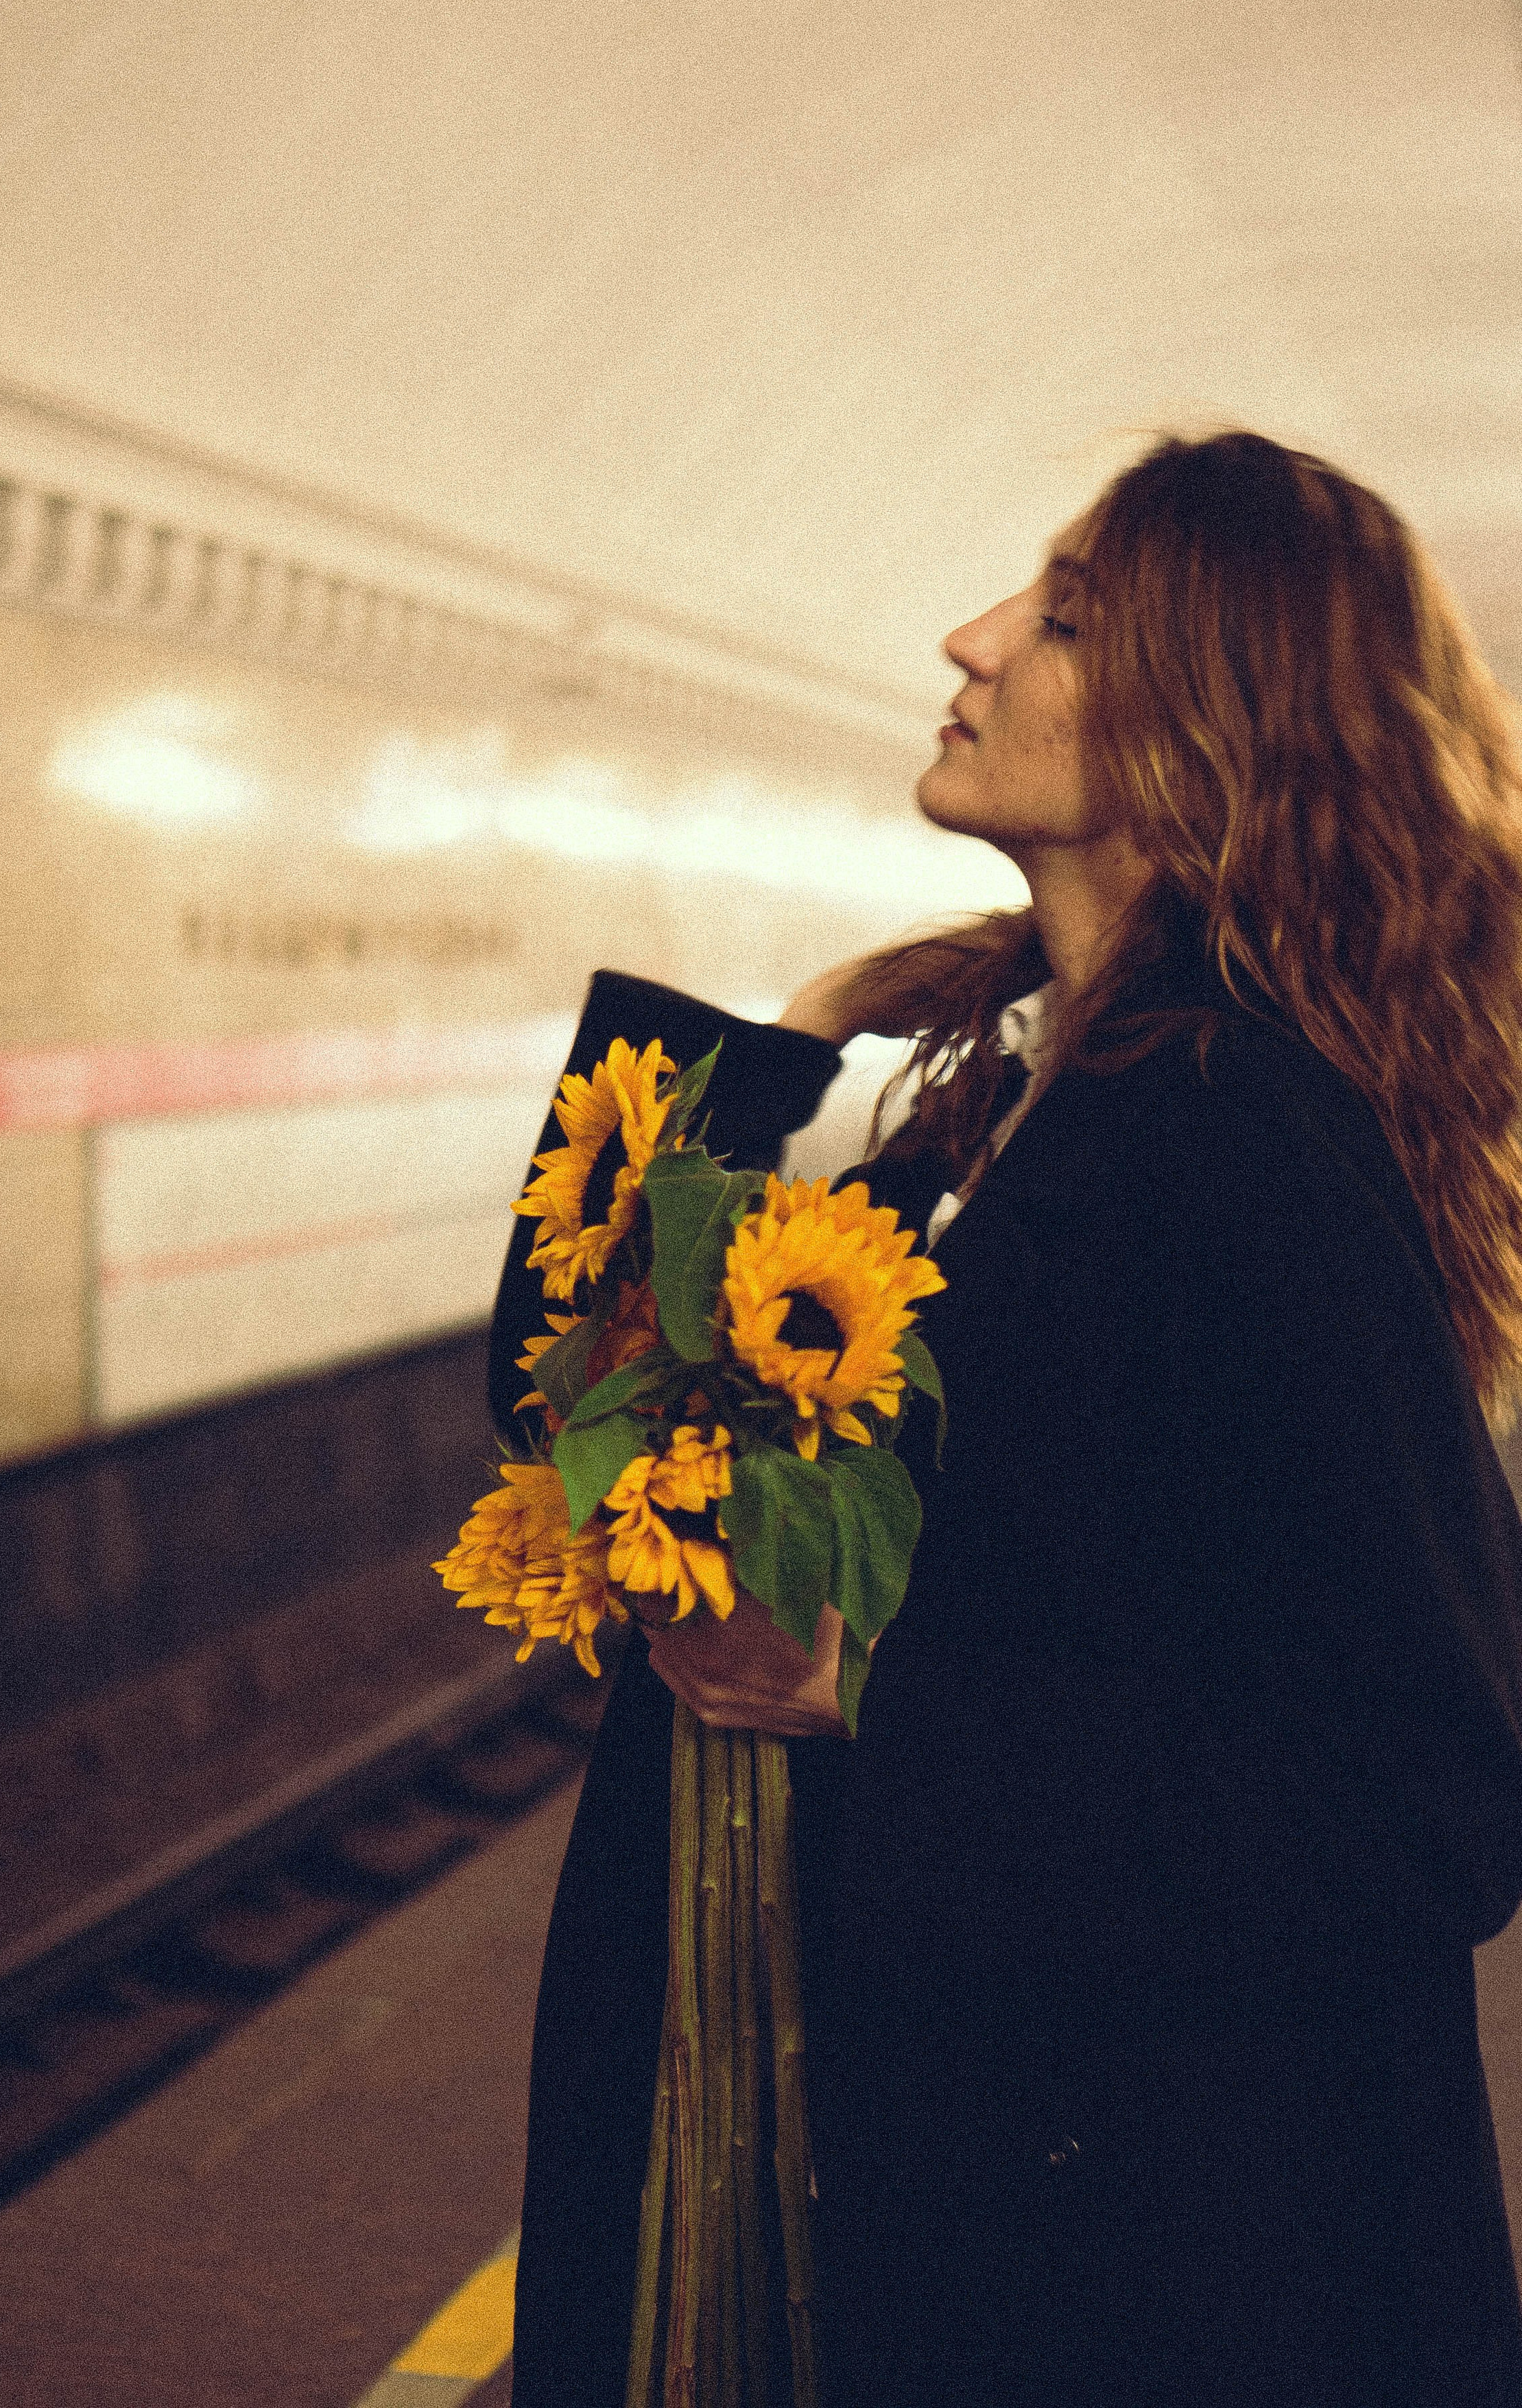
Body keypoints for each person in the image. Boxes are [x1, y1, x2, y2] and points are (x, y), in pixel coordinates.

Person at [491, 431, 1522, 2407]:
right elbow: (569, 1412)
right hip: (966, 2178)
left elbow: (1435, 1791)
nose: (970, 641)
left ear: (1207, 716)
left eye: (1064, 617)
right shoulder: (988, 1113)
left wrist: (878, 1695)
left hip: (1141, 2259)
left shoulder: (1244, 1142)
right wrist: (798, 1026)